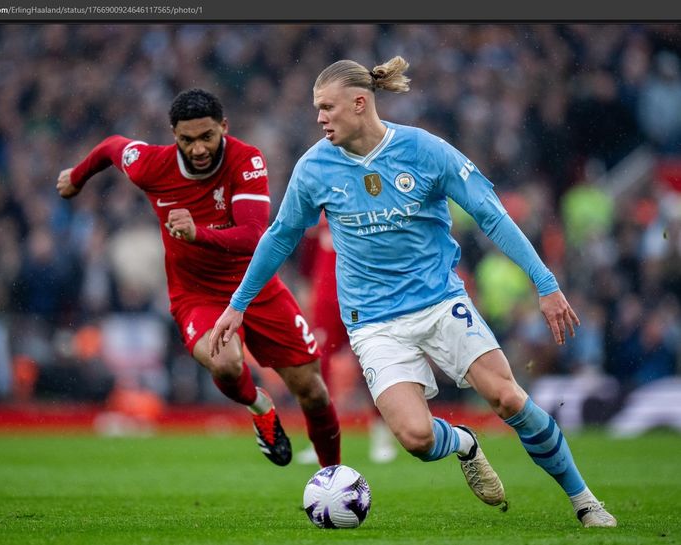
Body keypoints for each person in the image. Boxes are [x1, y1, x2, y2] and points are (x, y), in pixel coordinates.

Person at [209, 57, 617, 528]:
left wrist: (545, 283)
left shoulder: (424, 151)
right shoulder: (314, 168)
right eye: (316, 108)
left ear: (359, 103)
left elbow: (491, 215)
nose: (319, 118)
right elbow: (280, 236)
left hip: (441, 302)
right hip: (375, 322)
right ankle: (463, 442)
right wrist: (238, 305)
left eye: (327, 107)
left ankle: (585, 500)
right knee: (417, 439)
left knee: (507, 398)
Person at [56, 88, 341, 468]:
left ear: (224, 127)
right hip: (198, 295)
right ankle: (260, 407)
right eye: (187, 140)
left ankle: (334, 475)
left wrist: (198, 233)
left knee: (313, 392)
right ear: (173, 134)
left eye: (207, 136)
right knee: (224, 363)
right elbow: (112, 147)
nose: (199, 148)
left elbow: (254, 236)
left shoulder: (246, 159)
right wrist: (77, 176)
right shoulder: (150, 165)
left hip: (256, 287)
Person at [297, 211, 397, 464]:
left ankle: (382, 434)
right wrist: (309, 292)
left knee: (371, 365)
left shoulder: (365, 209)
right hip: (326, 302)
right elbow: (306, 263)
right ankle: (321, 439)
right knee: (319, 368)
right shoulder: (316, 217)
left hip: (361, 298)